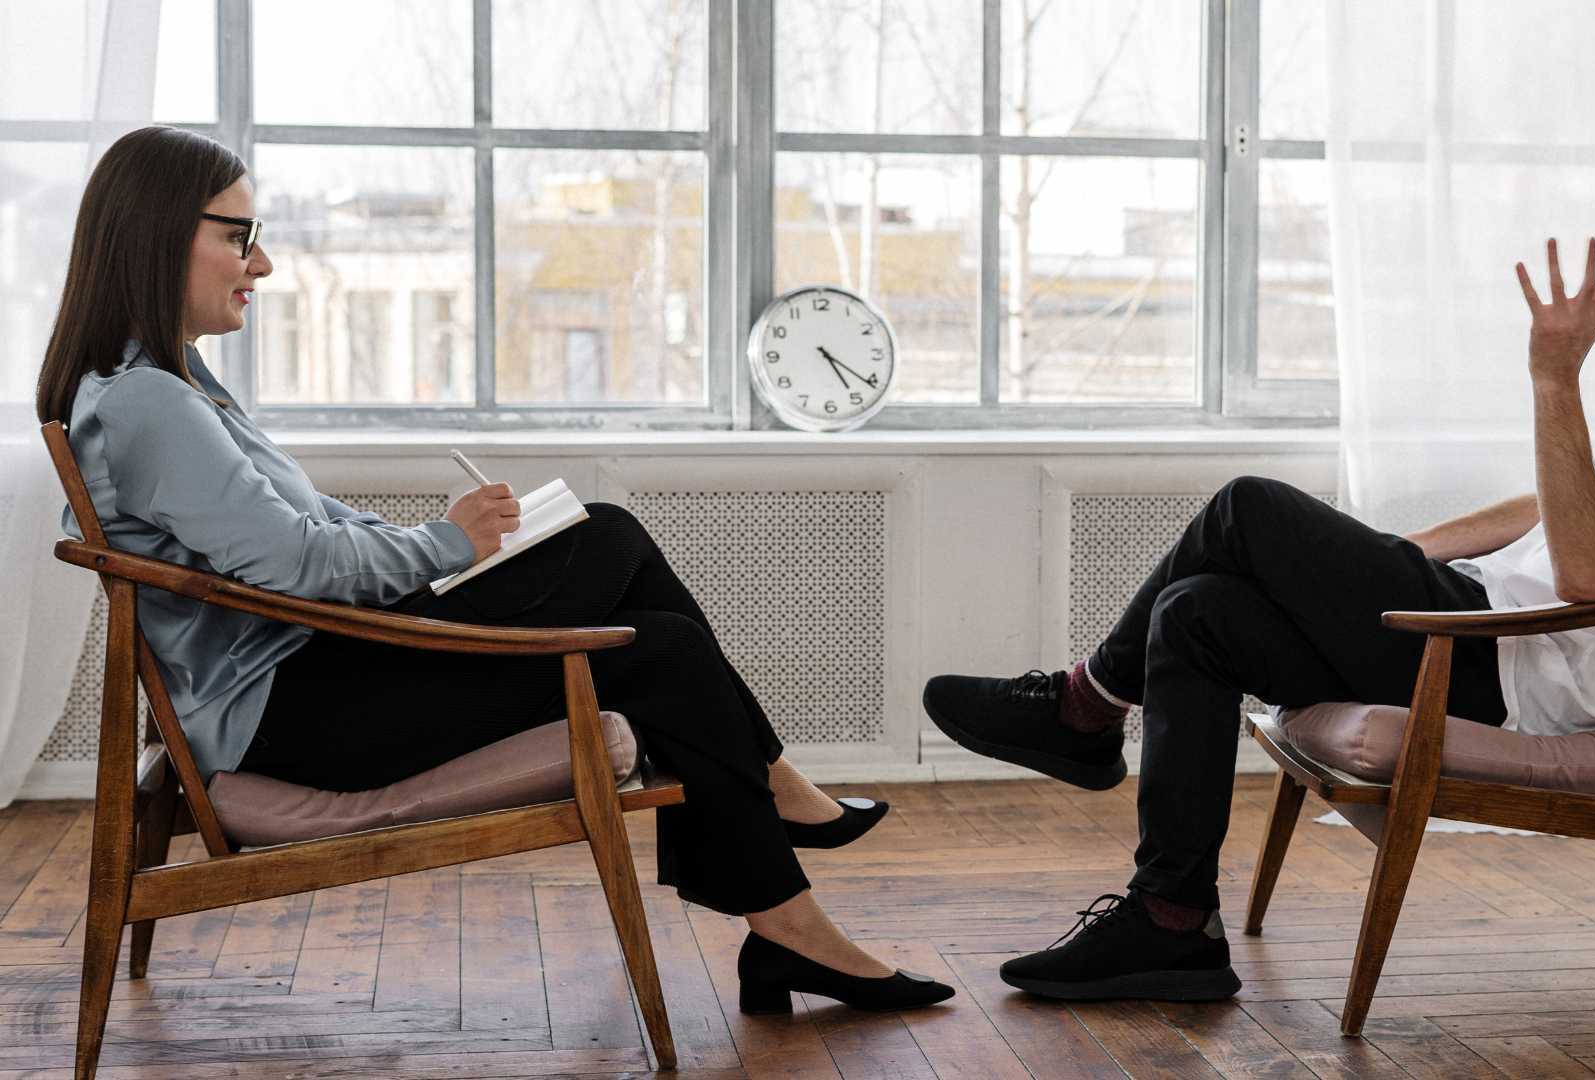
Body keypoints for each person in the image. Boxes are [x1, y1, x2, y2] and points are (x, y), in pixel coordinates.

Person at [36, 125, 952, 1015]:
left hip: (312, 680)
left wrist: (452, 545)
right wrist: (448, 545)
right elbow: (297, 565)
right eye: (240, 238)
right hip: (295, 714)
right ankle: (778, 811)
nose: (262, 266)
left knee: (658, 637)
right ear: (158, 234)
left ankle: (788, 923)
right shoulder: (151, 401)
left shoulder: (171, 384)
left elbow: (300, 530)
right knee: (609, 540)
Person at [924, 207, 1595, 1002]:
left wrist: (1554, 380)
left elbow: (1592, 574)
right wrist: (1392, 558)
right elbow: (1549, 507)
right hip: (1474, 621)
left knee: (1248, 505)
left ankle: (1084, 709)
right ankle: (1171, 920)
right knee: (1195, 610)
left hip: (1503, 670)